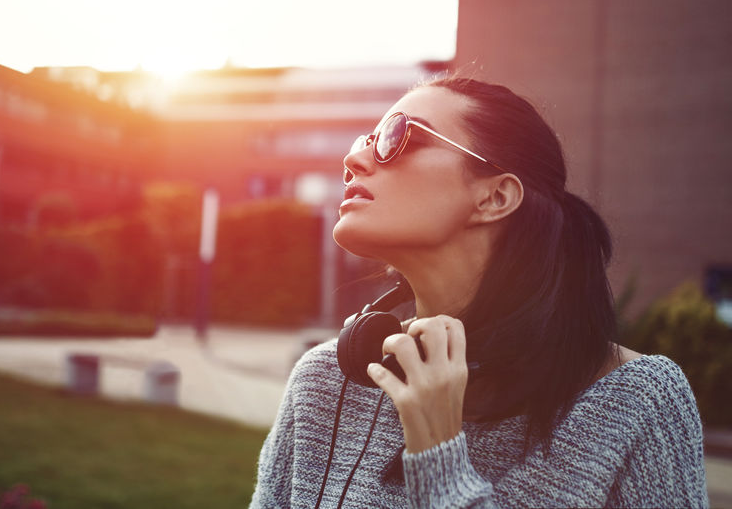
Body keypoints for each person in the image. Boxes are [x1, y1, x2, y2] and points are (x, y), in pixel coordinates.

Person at [249, 75, 708, 508]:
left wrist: (439, 458)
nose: (354, 161)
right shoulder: (327, 380)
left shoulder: (637, 403)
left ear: (495, 198)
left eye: (397, 137)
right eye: (364, 142)